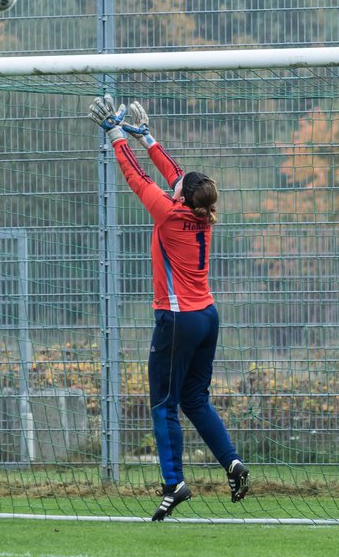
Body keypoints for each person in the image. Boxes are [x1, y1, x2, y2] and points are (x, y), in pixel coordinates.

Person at [88, 96, 249, 521]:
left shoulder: (167, 212)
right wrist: (150, 138)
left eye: (177, 184)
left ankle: (173, 482)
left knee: (163, 402)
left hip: (176, 319)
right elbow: (176, 174)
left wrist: (118, 136)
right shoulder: (203, 212)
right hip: (207, 316)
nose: (172, 182)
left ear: (181, 195)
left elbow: (136, 178)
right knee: (195, 398)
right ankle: (231, 462)